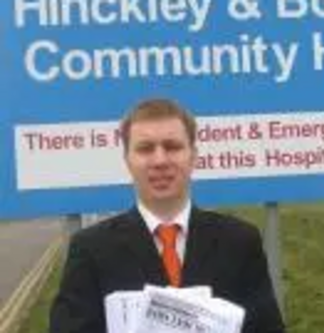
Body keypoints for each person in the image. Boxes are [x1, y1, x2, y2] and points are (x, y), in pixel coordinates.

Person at [49, 98, 285, 333]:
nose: (160, 160)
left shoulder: (240, 242)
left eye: (172, 146)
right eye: (145, 148)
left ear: (193, 156)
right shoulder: (91, 249)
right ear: (127, 160)